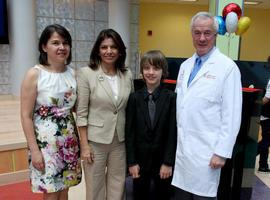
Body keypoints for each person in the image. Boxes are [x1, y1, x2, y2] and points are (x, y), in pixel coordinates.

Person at [172, 12, 242, 199]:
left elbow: (232, 115)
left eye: (207, 33)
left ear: (215, 34)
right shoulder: (185, 66)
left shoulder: (227, 68)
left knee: (204, 196)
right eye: (197, 33)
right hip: (184, 153)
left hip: (208, 154)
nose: (202, 38)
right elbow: (183, 107)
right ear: (191, 35)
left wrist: (221, 152)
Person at [20, 24, 81, 200]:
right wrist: (35, 150)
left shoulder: (73, 74)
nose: (61, 47)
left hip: (69, 142)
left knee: (65, 189)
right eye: (55, 43)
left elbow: (76, 108)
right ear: (44, 46)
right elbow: (26, 116)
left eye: (65, 43)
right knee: (51, 192)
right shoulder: (34, 74)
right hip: (45, 145)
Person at [76, 28, 133, 200]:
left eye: (114, 47)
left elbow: (129, 107)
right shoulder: (86, 73)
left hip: (120, 140)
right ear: (98, 50)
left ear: (120, 50)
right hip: (95, 141)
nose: (109, 51)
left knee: (118, 184)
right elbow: (81, 113)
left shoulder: (127, 74)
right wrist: (84, 145)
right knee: (95, 186)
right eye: (104, 47)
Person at [125, 50, 177, 200]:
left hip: (163, 164)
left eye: (156, 68)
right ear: (142, 71)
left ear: (163, 71)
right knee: (139, 195)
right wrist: (132, 162)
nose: (151, 72)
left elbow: (172, 133)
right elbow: (130, 133)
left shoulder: (172, 98)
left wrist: (168, 162)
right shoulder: (134, 98)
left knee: (163, 195)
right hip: (139, 164)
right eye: (147, 68)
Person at [258, 57, 270, 173]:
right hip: (267, 115)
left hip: (265, 114)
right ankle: (251, 156)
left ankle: (263, 165)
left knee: (266, 140)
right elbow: (267, 98)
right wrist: (256, 105)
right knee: (266, 141)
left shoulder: (265, 75)